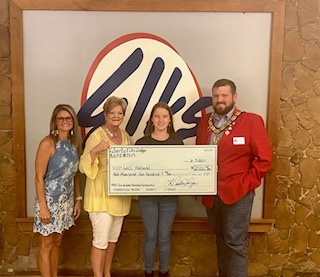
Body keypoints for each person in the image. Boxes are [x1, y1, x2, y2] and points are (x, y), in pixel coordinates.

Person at [196, 79, 272, 277]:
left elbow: (264, 160)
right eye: (216, 96)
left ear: (234, 97)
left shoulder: (251, 121)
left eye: (224, 96)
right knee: (221, 240)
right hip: (211, 195)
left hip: (238, 194)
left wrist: (247, 184)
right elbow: (198, 156)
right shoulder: (205, 122)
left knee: (235, 243)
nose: (220, 100)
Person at [79, 96, 132, 277]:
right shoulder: (96, 136)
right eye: (112, 113)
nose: (116, 116)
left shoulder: (125, 136)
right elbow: (83, 166)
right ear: (105, 114)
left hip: (119, 197)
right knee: (100, 241)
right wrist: (95, 150)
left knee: (111, 241)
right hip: (100, 197)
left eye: (120, 113)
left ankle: (107, 273)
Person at [135, 102, 184, 277]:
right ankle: (148, 272)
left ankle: (164, 272)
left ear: (170, 120)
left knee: (164, 237)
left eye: (164, 116)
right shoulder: (142, 143)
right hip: (147, 198)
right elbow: (135, 172)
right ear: (151, 120)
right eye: (157, 116)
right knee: (150, 237)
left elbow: (184, 169)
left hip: (169, 198)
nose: (161, 120)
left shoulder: (177, 142)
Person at [33, 104, 81, 277]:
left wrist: (78, 199)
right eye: (61, 118)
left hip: (65, 202)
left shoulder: (73, 144)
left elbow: (74, 174)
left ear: (73, 121)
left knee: (57, 242)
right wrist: (43, 208)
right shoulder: (47, 143)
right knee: (46, 245)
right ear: (55, 121)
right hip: (48, 201)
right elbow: (39, 177)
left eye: (68, 118)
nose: (65, 122)